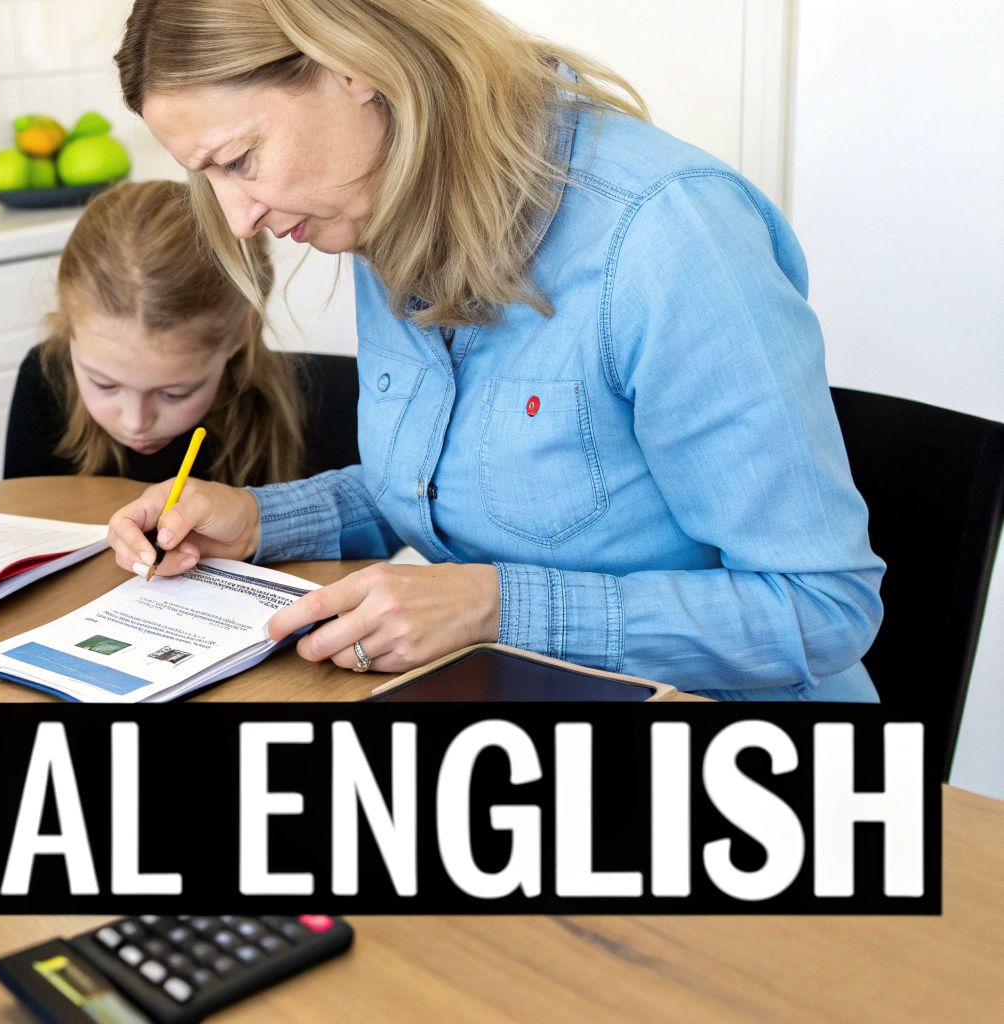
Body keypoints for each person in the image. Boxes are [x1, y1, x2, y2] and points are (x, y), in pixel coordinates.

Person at [104, 0, 884, 700]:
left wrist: (494, 607)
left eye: (239, 160)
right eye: (206, 178)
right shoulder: (379, 202)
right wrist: (260, 521)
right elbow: (466, 482)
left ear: (352, 68)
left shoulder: (668, 236)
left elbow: (819, 609)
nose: (237, 219)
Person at [3, 179, 358, 488]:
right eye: (104, 385)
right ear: (70, 330)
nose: (136, 423)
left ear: (240, 334)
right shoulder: (45, 380)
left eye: (175, 394)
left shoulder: (333, 400)